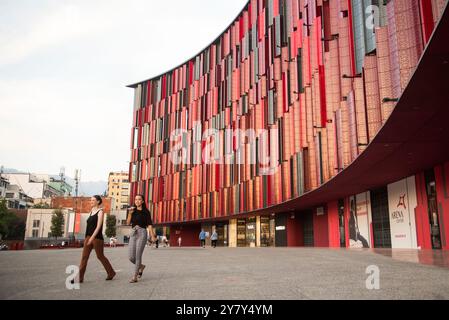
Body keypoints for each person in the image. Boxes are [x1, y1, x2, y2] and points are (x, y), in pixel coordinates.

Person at [72, 195, 116, 284]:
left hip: (97, 238)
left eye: (93, 200)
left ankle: (111, 272)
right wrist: (88, 238)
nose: (91, 201)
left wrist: (92, 238)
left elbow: (98, 226)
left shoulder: (100, 212)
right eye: (90, 200)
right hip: (88, 237)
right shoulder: (91, 211)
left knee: (100, 256)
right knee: (84, 257)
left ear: (98, 201)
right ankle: (79, 278)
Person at [127, 194, 157, 283]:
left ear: (143, 201)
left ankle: (135, 276)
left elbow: (150, 225)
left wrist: (152, 236)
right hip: (133, 233)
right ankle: (141, 266)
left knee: (137, 256)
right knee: (131, 257)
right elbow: (128, 222)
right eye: (136, 199)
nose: (137, 201)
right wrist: (130, 214)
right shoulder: (132, 210)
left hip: (142, 233)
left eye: (139, 199)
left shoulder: (146, 212)